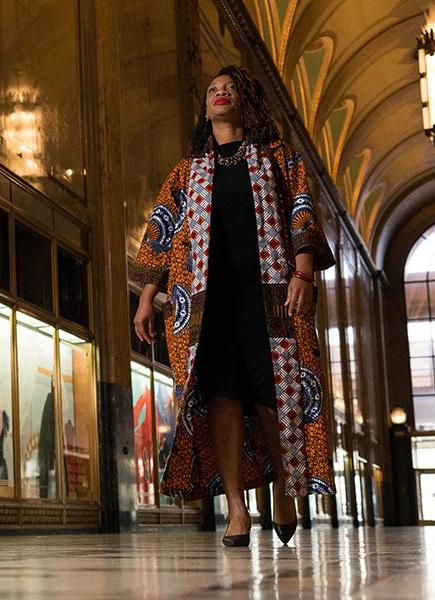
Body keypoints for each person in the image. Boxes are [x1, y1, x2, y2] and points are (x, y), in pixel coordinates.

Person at [130, 65, 337, 548]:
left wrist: (302, 271)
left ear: (246, 101)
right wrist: (145, 299)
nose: (220, 94)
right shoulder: (187, 172)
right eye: (212, 90)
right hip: (206, 303)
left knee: (271, 395)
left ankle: (285, 489)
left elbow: (301, 212)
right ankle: (238, 510)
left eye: (230, 89)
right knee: (222, 396)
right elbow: (161, 236)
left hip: (268, 296)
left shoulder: (277, 159)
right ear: (206, 108)